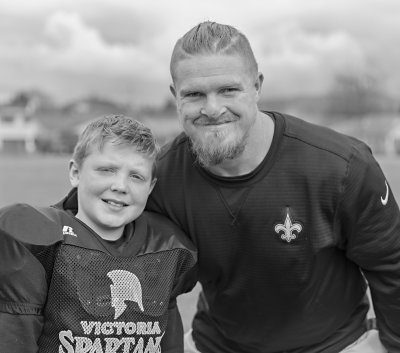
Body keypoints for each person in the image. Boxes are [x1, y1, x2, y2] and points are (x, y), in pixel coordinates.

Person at [145, 21, 400, 352]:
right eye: (194, 94)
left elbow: (392, 265)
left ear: (256, 86)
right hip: (218, 343)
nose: (212, 108)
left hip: (334, 344)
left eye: (228, 90)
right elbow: (90, 230)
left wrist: (390, 345)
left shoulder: (341, 166)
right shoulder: (158, 179)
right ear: (174, 97)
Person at [0, 115, 197, 353]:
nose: (120, 186)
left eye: (136, 176)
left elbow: (169, 341)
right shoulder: (45, 241)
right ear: (75, 172)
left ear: (151, 187)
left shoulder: (167, 246)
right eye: (107, 170)